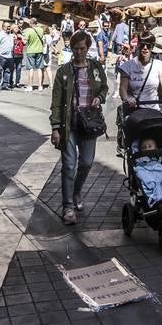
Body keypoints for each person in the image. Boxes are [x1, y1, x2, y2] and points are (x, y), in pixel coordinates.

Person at [50, 30, 108, 225]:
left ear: (87, 47)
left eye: (82, 48)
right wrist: (55, 127)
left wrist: (99, 98)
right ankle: (67, 206)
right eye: (75, 49)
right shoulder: (64, 71)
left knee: (87, 162)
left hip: (89, 122)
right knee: (68, 164)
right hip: (69, 124)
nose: (79, 52)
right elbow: (56, 101)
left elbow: (104, 87)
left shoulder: (95, 67)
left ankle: (76, 191)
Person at [118, 33, 162, 112]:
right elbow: (123, 88)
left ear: (152, 47)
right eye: (142, 45)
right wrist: (127, 98)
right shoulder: (127, 66)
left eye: (148, 46)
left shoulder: (159, 66)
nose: (145, 48)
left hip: (153, 110)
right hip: (134, 110)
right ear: (138, 45)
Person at [21, 19, 46, 91]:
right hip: (39, 50)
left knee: (31, 69)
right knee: (39, 68)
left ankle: (30, 86)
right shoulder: (41, 30)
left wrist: (22, 37)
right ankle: (40, 86)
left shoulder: (29, 31)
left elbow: (25, 42)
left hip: (31, 51)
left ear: (30, 23)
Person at [0, 25, 16, 92]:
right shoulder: (0, 34)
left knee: (8, 71)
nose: (9, 28)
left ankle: (4, 85)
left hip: (10, 56)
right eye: (7, 26)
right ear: (3, 27)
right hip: (2, 56)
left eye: (9, 26)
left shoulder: (11, 35)